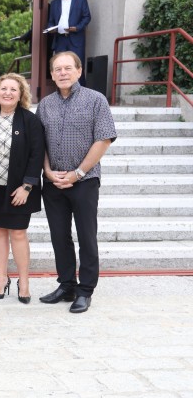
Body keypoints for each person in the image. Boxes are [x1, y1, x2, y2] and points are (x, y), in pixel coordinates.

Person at [36, 51, 117, 313]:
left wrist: (78, 173)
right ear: (52, 74)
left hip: (84, 181)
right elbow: (39, 143)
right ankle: (67, 285)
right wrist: (47, 171)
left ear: (79, 71)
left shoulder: (96, 100)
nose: (62, 73)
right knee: (59, 236)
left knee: (86, 236)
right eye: (57, 69)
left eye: (68, 68)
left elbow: (104, 139)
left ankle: (85, 291)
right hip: (53, 182)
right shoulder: (45, 105)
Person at [0, 73, 45, 304]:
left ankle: (24, 283)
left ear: (21, 94)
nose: (8, 93)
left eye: (14, 89)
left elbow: (37, 155)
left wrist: (27, 186)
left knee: (19, 233)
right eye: (3, 88)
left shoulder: (30, 120)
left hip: (19, 190)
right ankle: (1, 280)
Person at [46, 0, 91, 84]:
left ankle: (81, 93)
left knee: (77, 66)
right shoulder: (55, 3)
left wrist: (77, 27)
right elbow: (51, 21)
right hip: (60, 39)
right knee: (60, 67)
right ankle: (62, 91)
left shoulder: (80, 0)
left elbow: (87, 17)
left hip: (75, 39)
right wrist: (51, 28)